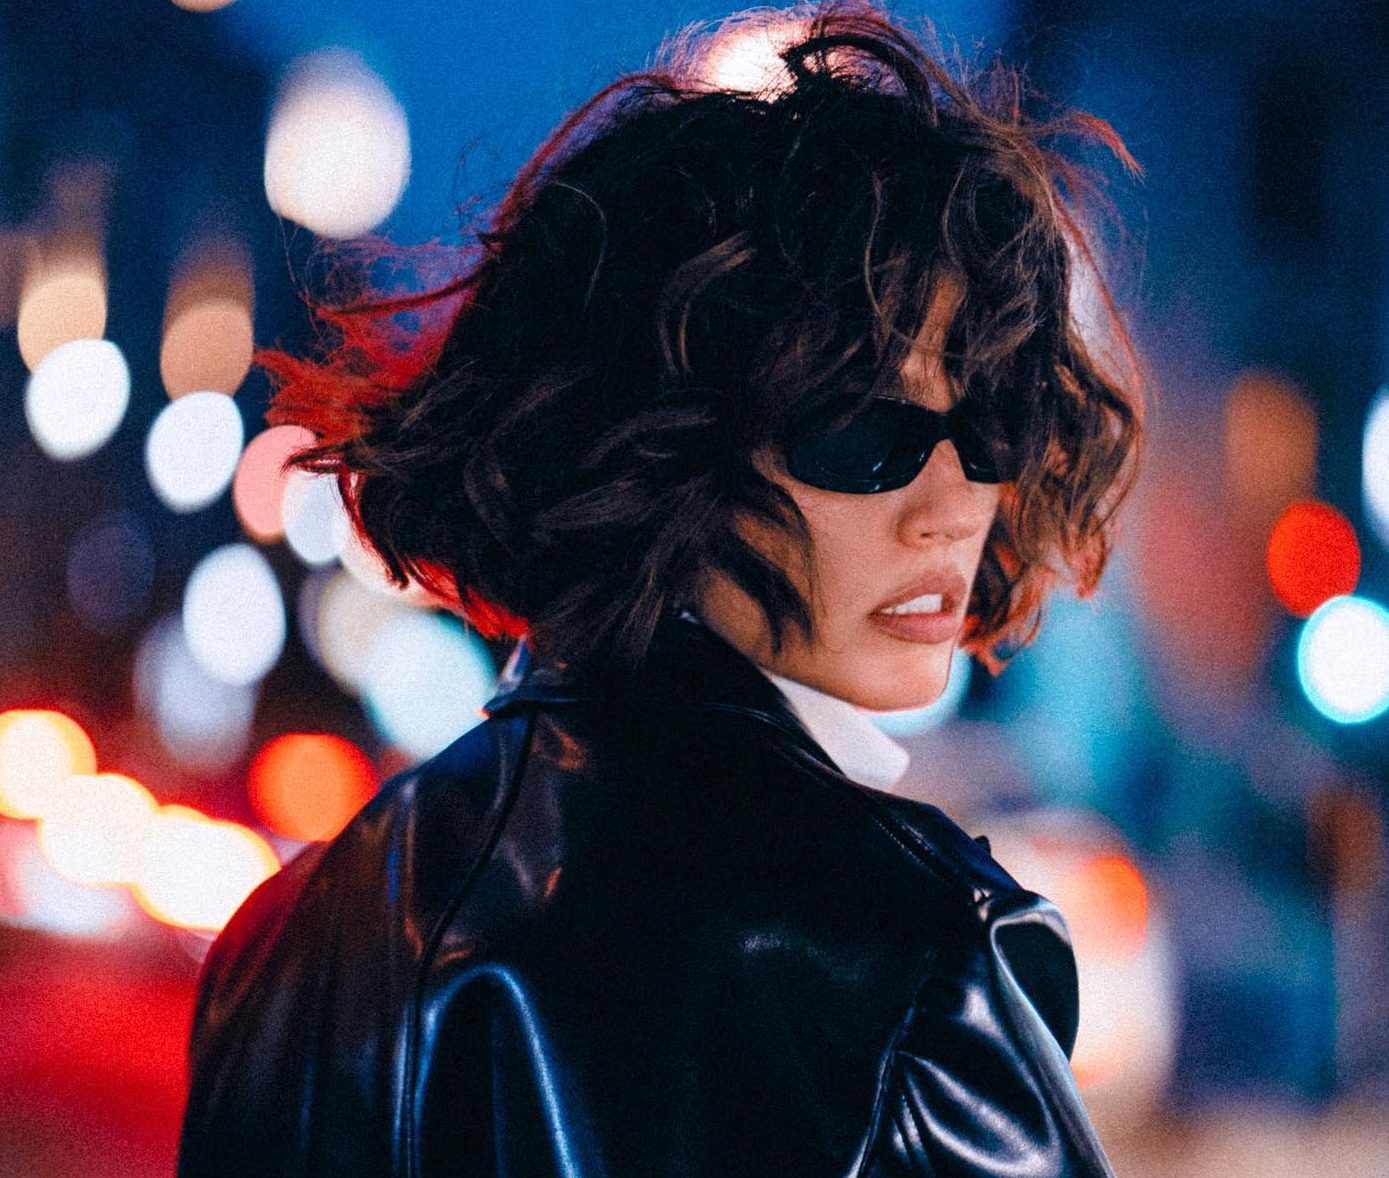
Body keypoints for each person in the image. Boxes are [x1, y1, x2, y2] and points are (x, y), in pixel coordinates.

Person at [177, 1, 1146, 1173]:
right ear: (664, 450)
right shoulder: (907, 966)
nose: (952, 502)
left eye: (990, 422)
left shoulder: (279, 946)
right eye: (862, 429)